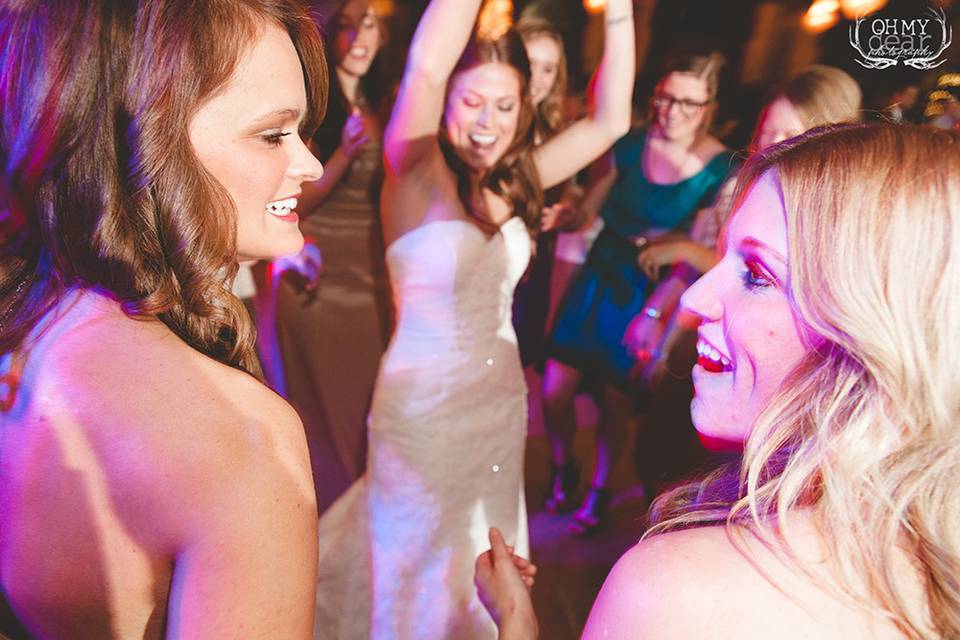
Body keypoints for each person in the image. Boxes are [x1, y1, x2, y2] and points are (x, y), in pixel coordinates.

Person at [478, 123, 960, 639]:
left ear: (872, 330)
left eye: (757, 274)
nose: (696, 298)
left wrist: (516, 618)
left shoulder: (681, 589)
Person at [0, 0, 326, 636]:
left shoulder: (25, 329)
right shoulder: (244, 441)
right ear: (144, 142)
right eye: (272, 134)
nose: (309, 164)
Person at [313, 0, 635, 636]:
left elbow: (611, 119)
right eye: (471, 102)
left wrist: (618, 10)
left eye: (506, 106)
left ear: (525, 108)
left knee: (485, 561)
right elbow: (428, 68)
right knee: (415, 571)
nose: (487, 124)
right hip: (421, 413)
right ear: (443, 102)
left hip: (498, 406)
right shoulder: (415, 171)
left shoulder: (520, 180)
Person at [629, 64, 861, 487]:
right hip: (704, 341)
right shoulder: (742, 180)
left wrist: (685, 252)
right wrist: (656, 321)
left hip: (757, 367)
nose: (770, 145)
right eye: (766, 131)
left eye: (788, 134)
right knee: (658, 451)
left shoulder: (831, 217)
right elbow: (704, 271)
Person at [541, 53, 734, 535]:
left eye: (688, 103)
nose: (672, 111)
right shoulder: (628, 144)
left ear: (708, 106)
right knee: (553, 392)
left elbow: (698, 252)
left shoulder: (718, 171)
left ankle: (600, 488)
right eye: (665, 98)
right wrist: (570, 215)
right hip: (601, 270)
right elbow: (590, 211)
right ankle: (565, 465)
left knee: (613, 402)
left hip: (647, 292)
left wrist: (654, 311)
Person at [256, 0, 392, 515]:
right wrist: (342, 156)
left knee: (369, 418)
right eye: (348, 26)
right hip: (320, 276)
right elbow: (290, 198)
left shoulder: (391, 101)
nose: (358, 36)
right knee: (325, 420)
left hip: (375, 278)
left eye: (370, 24)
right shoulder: (312, 106)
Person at [511, 14, 579, 367]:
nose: (538, 77)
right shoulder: (492, 124)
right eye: (530, 63)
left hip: (536, 267)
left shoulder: (554, 128)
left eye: (549, 69)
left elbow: (572, 199)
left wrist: (568, 211)